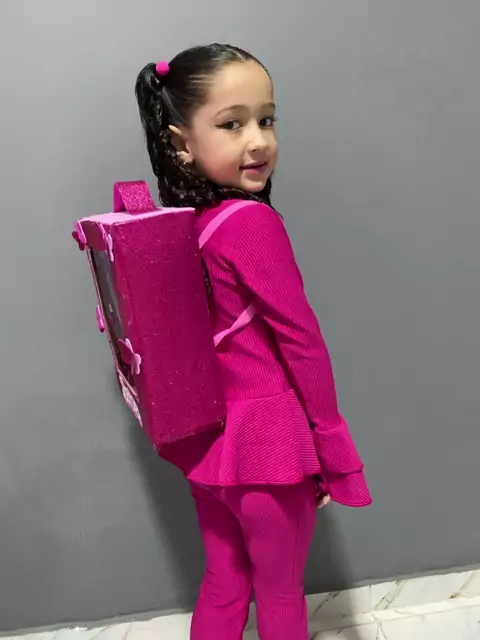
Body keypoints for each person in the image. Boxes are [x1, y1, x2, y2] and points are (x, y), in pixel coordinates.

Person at [135, 43, 372, 640]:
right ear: (181, 143)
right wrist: (330, 447)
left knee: (223, 582)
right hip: (269, 450)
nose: (258, 140)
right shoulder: (251, 223)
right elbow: (301, 342)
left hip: (209, 450)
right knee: (281, 593)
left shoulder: (186, 226)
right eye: (231, 124)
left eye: (266, 120)